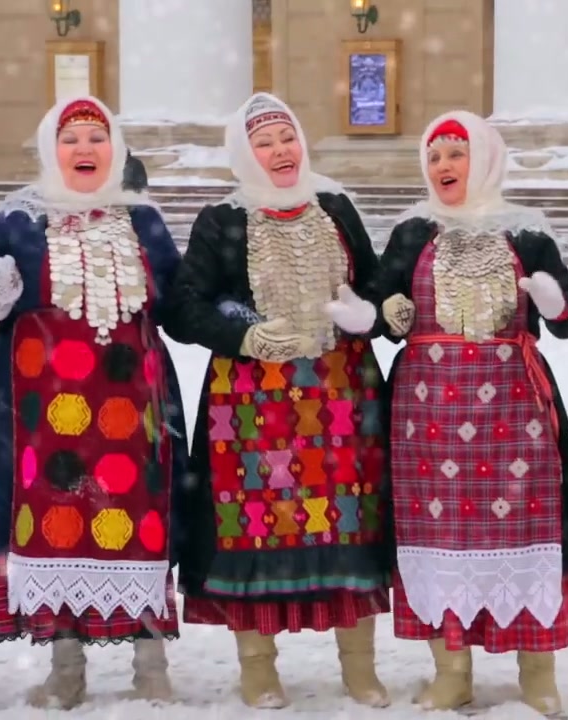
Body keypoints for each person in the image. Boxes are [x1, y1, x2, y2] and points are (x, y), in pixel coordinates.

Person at [163, 92, 392, 710]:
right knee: (253, 531)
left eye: (286, 138)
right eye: (263, 143)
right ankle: (258, 667)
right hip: (251, 404)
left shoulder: (334, 206)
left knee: (349, 522)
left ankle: (359, 665)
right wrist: (242, 335)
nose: (279, 151)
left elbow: (373, 283)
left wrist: (367, 313)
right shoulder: (223, 220)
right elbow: (182, 308)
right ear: (245, 154)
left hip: (341, 393)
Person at [0, 95, 188, 709]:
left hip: (131, 406)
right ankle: (66, 666)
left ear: (115, 150)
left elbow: (178, 302)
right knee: (55, 526)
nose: (84, 149)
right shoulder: (17, 221)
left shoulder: (141, 220)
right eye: (70, 139)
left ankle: (150, 661)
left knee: (138, 522)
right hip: (43, 413)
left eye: (96, 138)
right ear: (50, 150)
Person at [376, 110, 568, 716]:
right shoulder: (412, 232)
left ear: (485, 159)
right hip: (425, 414)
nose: (444, 166)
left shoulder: (526, 234)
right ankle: (451, 671)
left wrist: (555, 303)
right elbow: (379, 305)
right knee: (437, 536)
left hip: (513, 408)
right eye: (434, 156)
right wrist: (383, 313)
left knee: (529, 530)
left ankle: (538, 671)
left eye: (457, 153)